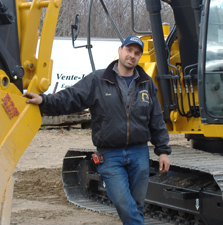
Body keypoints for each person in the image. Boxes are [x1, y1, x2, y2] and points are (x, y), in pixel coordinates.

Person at [22, 36, 171, 225]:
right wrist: (45, 101)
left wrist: (163, 151)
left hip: (138, 152)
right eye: (129, 50)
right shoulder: (98, 80)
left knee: (137, 205)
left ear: (140, 56)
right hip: (110, 154)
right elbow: (71, 97)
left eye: (136, 53)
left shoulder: (146, 84)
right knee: (124, 204)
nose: (132, 56)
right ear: (120, 50)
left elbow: (156, 119)